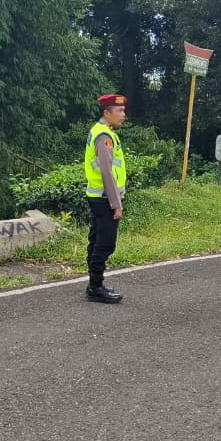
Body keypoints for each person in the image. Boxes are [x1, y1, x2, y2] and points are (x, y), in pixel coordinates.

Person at [83, 93, 128, 304]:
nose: (123, 115)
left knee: (96, 239)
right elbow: (107, 173)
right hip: (104, 198)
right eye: (119, 111)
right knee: (105, 243)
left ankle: (95, 283)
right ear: (107, 113)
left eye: (123, 110)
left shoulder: (101, 131)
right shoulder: (105, 137)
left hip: (97, 196)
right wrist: (116, 204)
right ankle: (95, 287)